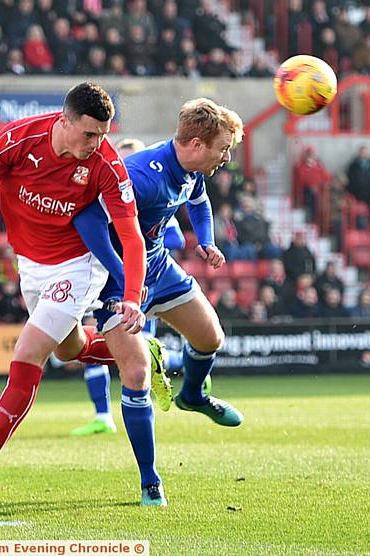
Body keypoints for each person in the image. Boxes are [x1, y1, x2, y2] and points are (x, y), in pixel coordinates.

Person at [0, 83, 171, 507]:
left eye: (103, 134)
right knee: (71, 349)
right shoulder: (17, 140)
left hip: (78, 266)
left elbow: (132, 238)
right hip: (30, 265)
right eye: (89, 134)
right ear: (63, 121)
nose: (97, 143)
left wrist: (134, 297)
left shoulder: (106, 164)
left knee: (28, 353)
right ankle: (143, 353)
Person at [73, 98, 244, 433]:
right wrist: (121, 271)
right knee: (135, 375)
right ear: (196, 144)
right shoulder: (142, 176)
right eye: (224, 149)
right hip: (116, 278)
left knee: (211, 337)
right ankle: (149, 480)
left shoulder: (192, 171)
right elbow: (88, 220)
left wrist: (206, 240)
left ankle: (192, 395)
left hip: (158, 267)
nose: (227, 158)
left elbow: (200, 201)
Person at [70, 137, 187, 437]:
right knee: (91, 345)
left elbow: (177, 240)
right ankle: (102, 415)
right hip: (107, 279)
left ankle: (184, 364)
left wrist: (142, 241)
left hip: (144, 281)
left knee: (137, 364)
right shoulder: (108, 197)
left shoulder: (152, 194)